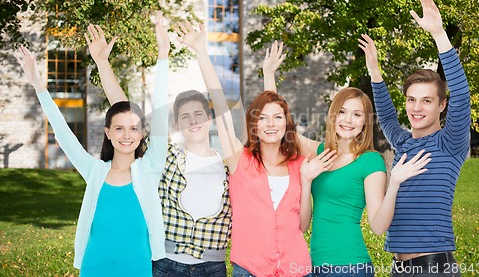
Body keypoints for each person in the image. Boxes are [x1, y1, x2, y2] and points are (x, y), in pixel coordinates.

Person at [174, 21, 337, 277]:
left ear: (287, 123)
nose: (270, 124)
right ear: (254, 125)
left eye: (278, 118)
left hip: (297, 269)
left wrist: (306, 183)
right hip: (249, 269)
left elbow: (302, 226)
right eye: (262, 118)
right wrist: (201, 52)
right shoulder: (240, 160)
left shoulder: (299, 164)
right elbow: (220, 105)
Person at [17, 12, 170, 277]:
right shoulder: (96, 171)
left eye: (134, 128)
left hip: (138, 268)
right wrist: (39, 86)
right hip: (94, 266)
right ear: (108, 133)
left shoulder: (151, 167)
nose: (127, 134)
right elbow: (64, 135)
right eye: (119, 128)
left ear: (142, 133)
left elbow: (161, 111)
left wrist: (163, 53)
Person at [263, 43, 432, 277]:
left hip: (351, 267)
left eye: (357, 114)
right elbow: (282, 129)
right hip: (314, 265)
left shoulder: (370, 161)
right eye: (342, 112)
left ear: (365, 122)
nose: (348, 120)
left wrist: (394, 184)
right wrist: (269, 75)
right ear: (333, 115)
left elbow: (378, 226)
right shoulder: (319, 152)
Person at [86, 22, 230, 276]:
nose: (193, 120)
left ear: (209, 119)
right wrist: (102, 63)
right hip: (166, 264)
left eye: (199, 114)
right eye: (185, 116)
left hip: (213, 266)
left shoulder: (229, 164)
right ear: (176, 123)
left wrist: (200, 50)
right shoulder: (166, 157)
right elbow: (124, 109)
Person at [359, 0, 471, 276]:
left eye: (427, 100)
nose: (417, 108)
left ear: (442, 105)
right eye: (411, 99)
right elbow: (385, 114)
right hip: (400, 268)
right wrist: (374, 69)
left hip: (433, 267)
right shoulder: (403, 142)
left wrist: (439, 34)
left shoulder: (450, 142)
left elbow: (462, 93)